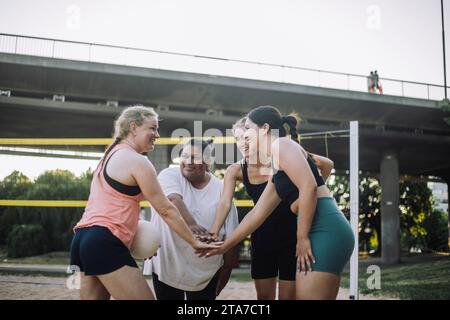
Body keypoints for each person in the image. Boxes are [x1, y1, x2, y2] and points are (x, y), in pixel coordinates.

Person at [202, 106, 355, 300]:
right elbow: (257, 214)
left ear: (264, 128)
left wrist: (301, 238)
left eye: (248, 128)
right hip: (318, 231)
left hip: (324, 230)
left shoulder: (281, 145)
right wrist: (223, 247)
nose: (244, 136)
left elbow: (309, 187)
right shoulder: (276, 163)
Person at [69, 105, 219, 300]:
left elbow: (113, 208)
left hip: (82, 239)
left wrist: (139, 242)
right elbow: (165, 209)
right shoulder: (137, 161)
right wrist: (194, 242)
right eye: (153, 128)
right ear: (133, 127)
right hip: (103, 241)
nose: (157, 134)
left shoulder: (109, 155)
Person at [147, 139, 239, 300]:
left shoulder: (222, 190)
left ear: (207, 162)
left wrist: (225, 274)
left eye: (195, 157)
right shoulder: (169, 174)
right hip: (168, 264)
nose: (188, 162)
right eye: (184, 156)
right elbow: (173, 200)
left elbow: (231, 239)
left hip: (205, 270)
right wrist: (191, 224)